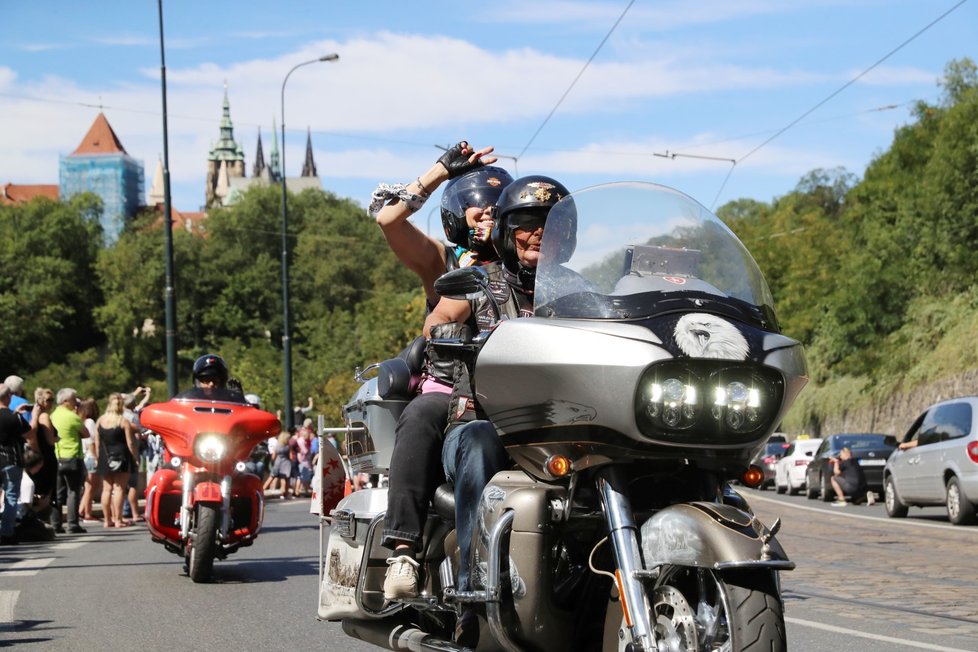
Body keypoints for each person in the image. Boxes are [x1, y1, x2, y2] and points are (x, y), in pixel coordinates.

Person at [382, 175, 571, 646]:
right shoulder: (478, 281)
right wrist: (443, 333)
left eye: (550, 223)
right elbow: (440, 317)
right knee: (478, 439)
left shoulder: (576, 291)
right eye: (527, 223)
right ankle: (471, 592)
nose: (539, 233)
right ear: (508, 232)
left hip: (557, 427)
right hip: (479, 421)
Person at [370, 141, 513, 308]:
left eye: (497, 201)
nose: (489, 209)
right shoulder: (444, 262)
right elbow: (388, 221)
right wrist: (439, 172)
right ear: (457, 211)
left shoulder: (527, 262)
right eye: (478, 201)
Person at [94, 393, 140, 528]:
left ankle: (108, 520)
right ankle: (118, 520)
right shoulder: (123, 421)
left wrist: (98, 458)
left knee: (106, 489)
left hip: (105, 457)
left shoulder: (100, 421)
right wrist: (135, 457)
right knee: (119, 489)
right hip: (121, 456)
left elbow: (97, 443)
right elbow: (130, 443)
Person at [1, 382, 37, 545]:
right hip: (11, 459)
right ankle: (7, 533)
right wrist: (34, 414)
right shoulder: (14, 417)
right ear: (8, 397)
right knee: (11, 497)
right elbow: (30, 434)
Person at [49, 387, 88, 534]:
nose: (76, 402)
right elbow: (86, 433)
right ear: (65, 401)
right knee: (73, 492)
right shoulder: (73, 417)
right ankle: (72, 524)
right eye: (73, 399)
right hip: (72, 456)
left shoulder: (53, 415)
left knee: (58, 493)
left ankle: (56, 524)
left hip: (57, 456)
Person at [176, 354, 247, 403]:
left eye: (215, 381)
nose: (211, 384)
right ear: (197, 382)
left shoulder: (231, 402)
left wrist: (239, 400)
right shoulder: (187, 402)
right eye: (206, 380)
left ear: (222, 383)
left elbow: (250, 416)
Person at [78, 398, 102, 523]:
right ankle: (86, 513)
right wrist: (97, 457)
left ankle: (82, 510)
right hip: (91, 457)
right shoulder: (90, 422)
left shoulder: (82, 422)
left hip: (85, 457)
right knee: (91, 487)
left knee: (89, 486)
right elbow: (91, 442)